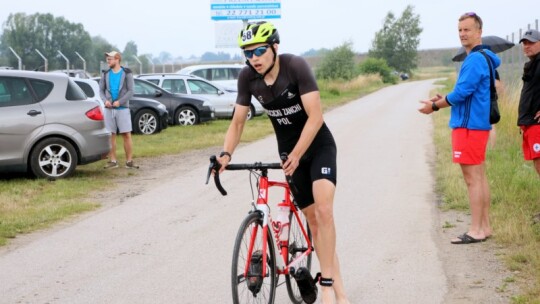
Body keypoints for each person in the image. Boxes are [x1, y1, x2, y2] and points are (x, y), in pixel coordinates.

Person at [216, 22, 350, 304]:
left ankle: (330, 288)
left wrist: (299, 153)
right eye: (248, 52)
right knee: (314, 223)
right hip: (290, 152)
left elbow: (315, 117)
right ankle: (338, 288)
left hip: (317, 146)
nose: (254, 57)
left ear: (274, 47)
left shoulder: (295, 67)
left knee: (324, 211)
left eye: (260, 50)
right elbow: (238, 122)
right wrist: (226, 154)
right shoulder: (247, 78)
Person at [418, 13, 500, 244]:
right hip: (477, 124)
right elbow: (467, 93)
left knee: (472, 178)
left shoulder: (474, 60)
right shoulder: (484, 57)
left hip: (468, 126)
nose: (463, 34)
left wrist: (435, 106)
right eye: (460, 30)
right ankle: (484, 226)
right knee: (479, 176)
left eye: (467, 30)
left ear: (479, 32)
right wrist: (445, 98)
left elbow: (462, 93)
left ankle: (476, 229)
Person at [99, 51, 138, 169]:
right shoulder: (105, 74)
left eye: (110, 59)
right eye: (107, 59)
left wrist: (119, 102)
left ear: (117, 59)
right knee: (111, 135)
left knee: (126, 134)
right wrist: (105, 100)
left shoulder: (127, 73)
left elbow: (131, 91)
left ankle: (129, 161)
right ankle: (113, 161)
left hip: (123, 109)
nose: (108, 61)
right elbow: (100, 90)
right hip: (109, 109)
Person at [518, 29, 540, 176]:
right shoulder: (533, 64)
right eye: (524, 43)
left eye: (531, 42)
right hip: (530, 122)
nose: (527, 45)